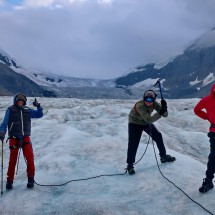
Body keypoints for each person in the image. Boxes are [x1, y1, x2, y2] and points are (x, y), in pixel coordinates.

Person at [126, 89, 176, 175]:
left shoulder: (155, 103)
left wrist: (164, 107)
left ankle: (163, 156)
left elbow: (165, 115)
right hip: (135, 123)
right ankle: (130, 165)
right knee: (133, 144)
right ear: (144, 98)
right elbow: (149, 120)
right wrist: (160, 112)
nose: (148, 102)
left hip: (145, 122)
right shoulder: (140, 105)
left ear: (153, 100)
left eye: (151, 100)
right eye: (146, 99)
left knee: (158, 136)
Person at [0, 93, 43, 190]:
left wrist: (39, 106)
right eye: (18, 100)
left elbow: (39, 114)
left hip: (25, 138)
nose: (20, 102)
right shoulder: (10, 110)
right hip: (14, 138)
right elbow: (4, 122)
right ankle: (9, 181)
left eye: (22, 101)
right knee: (12, 161)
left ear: (24, 102)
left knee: (30, 159)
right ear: (15, 101)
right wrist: (2, 132)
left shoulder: (27, 110)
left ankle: (31, 179)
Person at [194, 84, 215, 193]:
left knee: (213, 157)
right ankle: (208, 180)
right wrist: (207, 117)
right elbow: (196, 110)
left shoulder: (207, 99)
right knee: (213, 157)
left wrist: (207, 116)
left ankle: (208, 181)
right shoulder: (207, 100)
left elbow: (197, 110)